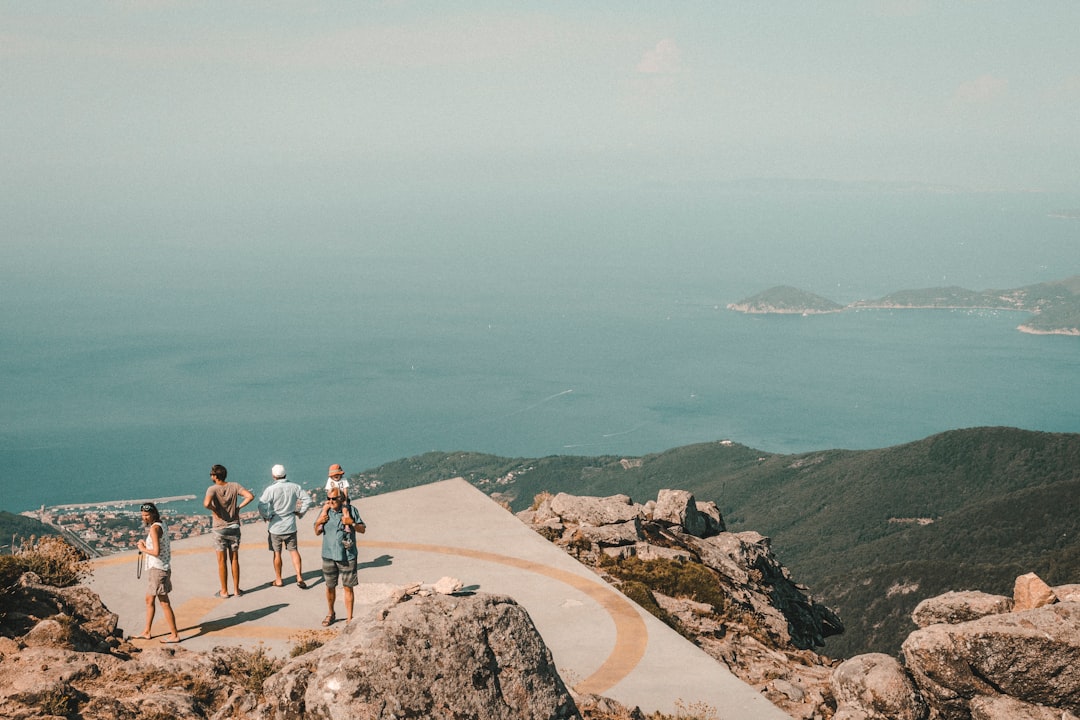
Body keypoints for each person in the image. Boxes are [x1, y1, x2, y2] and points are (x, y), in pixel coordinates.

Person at [314, 486, 365, 625]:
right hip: (328, 554)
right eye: (328, 499)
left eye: (334, 499)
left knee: (348, 587)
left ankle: (349, 619)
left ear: (341, 499)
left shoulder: (351, 511)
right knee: (330, 586)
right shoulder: (325, 512)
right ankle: (331, 613)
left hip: (347, 556)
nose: (331, 502)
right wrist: (319, 522)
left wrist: (352, 523)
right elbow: (317, 532)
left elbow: (362, 529)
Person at [257, 463, 314, 588]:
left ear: (273, 476)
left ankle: (278, 580)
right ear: (285, 474)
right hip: (290, 525)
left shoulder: (270, 490)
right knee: (294, 551)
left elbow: (261, 505)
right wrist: (300, 512)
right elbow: (308, 500)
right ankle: (299, 577)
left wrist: (267, 515)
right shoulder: (294, 486)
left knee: (277, 553)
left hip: (275, 527)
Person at [203, 464, 254, 598]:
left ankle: (224, 591)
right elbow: (250, 496)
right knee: (234, 559)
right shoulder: (235, 485)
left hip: (219, 528)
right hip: (234, 527)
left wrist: (214, 509)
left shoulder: (212, 489)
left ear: (215, 476)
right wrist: (238, 508)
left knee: (221, 561)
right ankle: (237, 590)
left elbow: (206, 504)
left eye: (211, 474)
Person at [134, 502, 180, 643]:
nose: (144, 518)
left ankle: (174, 635)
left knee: (164, 602)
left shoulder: (154, 529)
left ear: (154, 514)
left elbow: (156, 551)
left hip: (158, 570)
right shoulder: (161, 524)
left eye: (147, 515)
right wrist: (146, 544)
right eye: (142, 515)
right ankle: (147, 631)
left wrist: (142, 548)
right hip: (160, 568)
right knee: (149, 599)